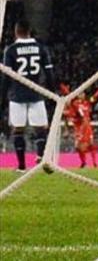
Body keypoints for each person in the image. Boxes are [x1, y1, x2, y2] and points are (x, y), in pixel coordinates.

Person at [3, 20, 54, 172]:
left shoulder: (11, 50)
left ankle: (21, 166)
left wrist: (2, 96)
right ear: (29, 32)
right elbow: (49, 73)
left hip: (17, 95)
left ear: (16, 32)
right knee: (41, 128)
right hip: (36, 93)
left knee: (18, 129)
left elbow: (6, 77)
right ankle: (40, 156)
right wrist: (52, 94)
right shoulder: (41, 48)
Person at [62, 85, 98, 168]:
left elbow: (93, 98)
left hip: (87, 126)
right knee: (78, 146)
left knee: (90, 144)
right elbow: (70, 110)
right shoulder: (75, 103)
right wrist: (65, 91)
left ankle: (94, 163)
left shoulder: (87, 103)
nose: (82, 95)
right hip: (79, 127)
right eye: (80, 94)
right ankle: (84, 162)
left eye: (83, 93)